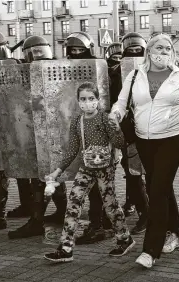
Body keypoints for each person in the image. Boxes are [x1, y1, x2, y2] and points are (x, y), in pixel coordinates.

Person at [109, 33, 179, 268]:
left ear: (172, 54)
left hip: (172, 140)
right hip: (145, 141)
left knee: (156, 193)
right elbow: (121, 102)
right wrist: (115, 114)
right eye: (158, 47)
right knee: (163, 188)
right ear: (149, 51)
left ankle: (151, 250)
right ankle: (176, 234)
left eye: (167, 48)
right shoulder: (135, 75)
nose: (163, 52)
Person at [44, 82, 134, 262]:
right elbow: (72, 149)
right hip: (85, 168)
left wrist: (116, 128)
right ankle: (66, 248)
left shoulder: (105, 118)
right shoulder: (78, 121)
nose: (87, 103)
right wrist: (57, 172)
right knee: (73, 204)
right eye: (83, 99)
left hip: (105, 169)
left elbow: (119, 143)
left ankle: (125, 239)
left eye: (91, 99)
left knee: (110, 205)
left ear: (98, 100)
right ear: (78, 101)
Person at [7, 36, 69, 239]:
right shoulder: (55, 68)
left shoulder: (57, 70)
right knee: (52, 175)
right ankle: (62, 212)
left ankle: (36, 221)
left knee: (42, 177)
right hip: (44, 131)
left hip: (50, 131)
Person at [64, 32, 113, 244]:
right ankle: (103, 224)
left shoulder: (97, 68)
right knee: (95, 186)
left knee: (99, 187)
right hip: (82, 131)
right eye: (72, 51)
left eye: (79, 51)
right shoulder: (66, 67)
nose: (76, 54)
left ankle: (99, 226)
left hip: (100, 133)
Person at [0, 31, 33, 231]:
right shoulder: (14, 65)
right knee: (9, 170)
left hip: (12, 123)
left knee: (7, 171)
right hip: (5, 126)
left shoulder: (15, 66)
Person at [115, 33, 150, 234]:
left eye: (139, 51)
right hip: (128, 134)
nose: (135, 54)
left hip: (151, 132)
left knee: (151, 178)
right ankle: (144, 213)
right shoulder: (116, 73)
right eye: (131, 51)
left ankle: (152, 215)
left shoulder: (155, 72)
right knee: (134, 177)